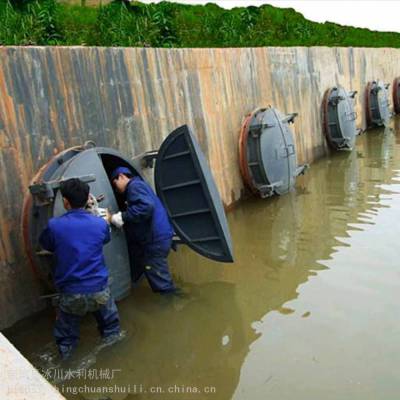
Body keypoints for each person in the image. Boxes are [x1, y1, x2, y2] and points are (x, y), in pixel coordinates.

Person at [39, 178, 120, 360]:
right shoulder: (99, 224)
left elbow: (46, 245)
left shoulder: (54, 225)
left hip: (71, 293)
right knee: (111, 329)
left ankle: (67, 362)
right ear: (87, 200)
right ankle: (115, 357)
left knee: (67, 337)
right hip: (99, 290)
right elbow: (105, 239)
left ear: (65, 202)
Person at [109, 166, 177, 294]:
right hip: (158, 237)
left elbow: (146, 207)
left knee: (162, 284)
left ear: (122, 176)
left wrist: (121, 216)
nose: (116, 189)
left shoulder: (134, 186)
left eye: (115, 183)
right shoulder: (140, 185)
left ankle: (173, 304)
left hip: (154, 240)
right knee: (154, 272)